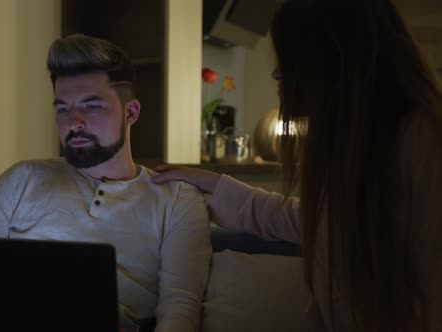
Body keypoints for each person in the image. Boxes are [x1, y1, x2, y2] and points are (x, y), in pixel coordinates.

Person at [152, 0, 442, 331]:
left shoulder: (420, 147)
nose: (277, 73)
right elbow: (311, 220)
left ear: (332, 60)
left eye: (289, 58)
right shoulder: (358, 148)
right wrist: (216, 184)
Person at [0, 34, 212, 332]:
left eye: (91, 106)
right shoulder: (22, 179)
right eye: (63, 109)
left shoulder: (177, 200)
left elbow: (180, 308)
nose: (74, 121)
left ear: (130, 112)